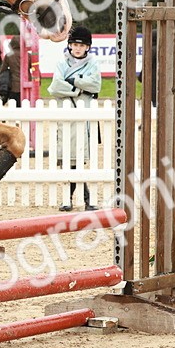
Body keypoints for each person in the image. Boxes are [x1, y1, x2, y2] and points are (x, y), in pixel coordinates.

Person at [48, 25, 102, 211]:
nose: (78, 48)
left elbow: (95, 85)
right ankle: (80, 199)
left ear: (87, 47)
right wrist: (78, 89)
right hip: (67, 116)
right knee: (69, 160)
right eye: (75, 44)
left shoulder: (93, 64)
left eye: (82, 45)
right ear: (70, 46)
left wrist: (72, 81)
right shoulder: (62, 64)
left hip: (85, 117)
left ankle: (75, 199)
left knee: (80, 159)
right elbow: (54, 87)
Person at [0, 36, 22, 106]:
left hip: (13, 85)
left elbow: (3, 69)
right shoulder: (27, 55)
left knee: (13, 105)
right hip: (25, 85)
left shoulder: (9, 56)